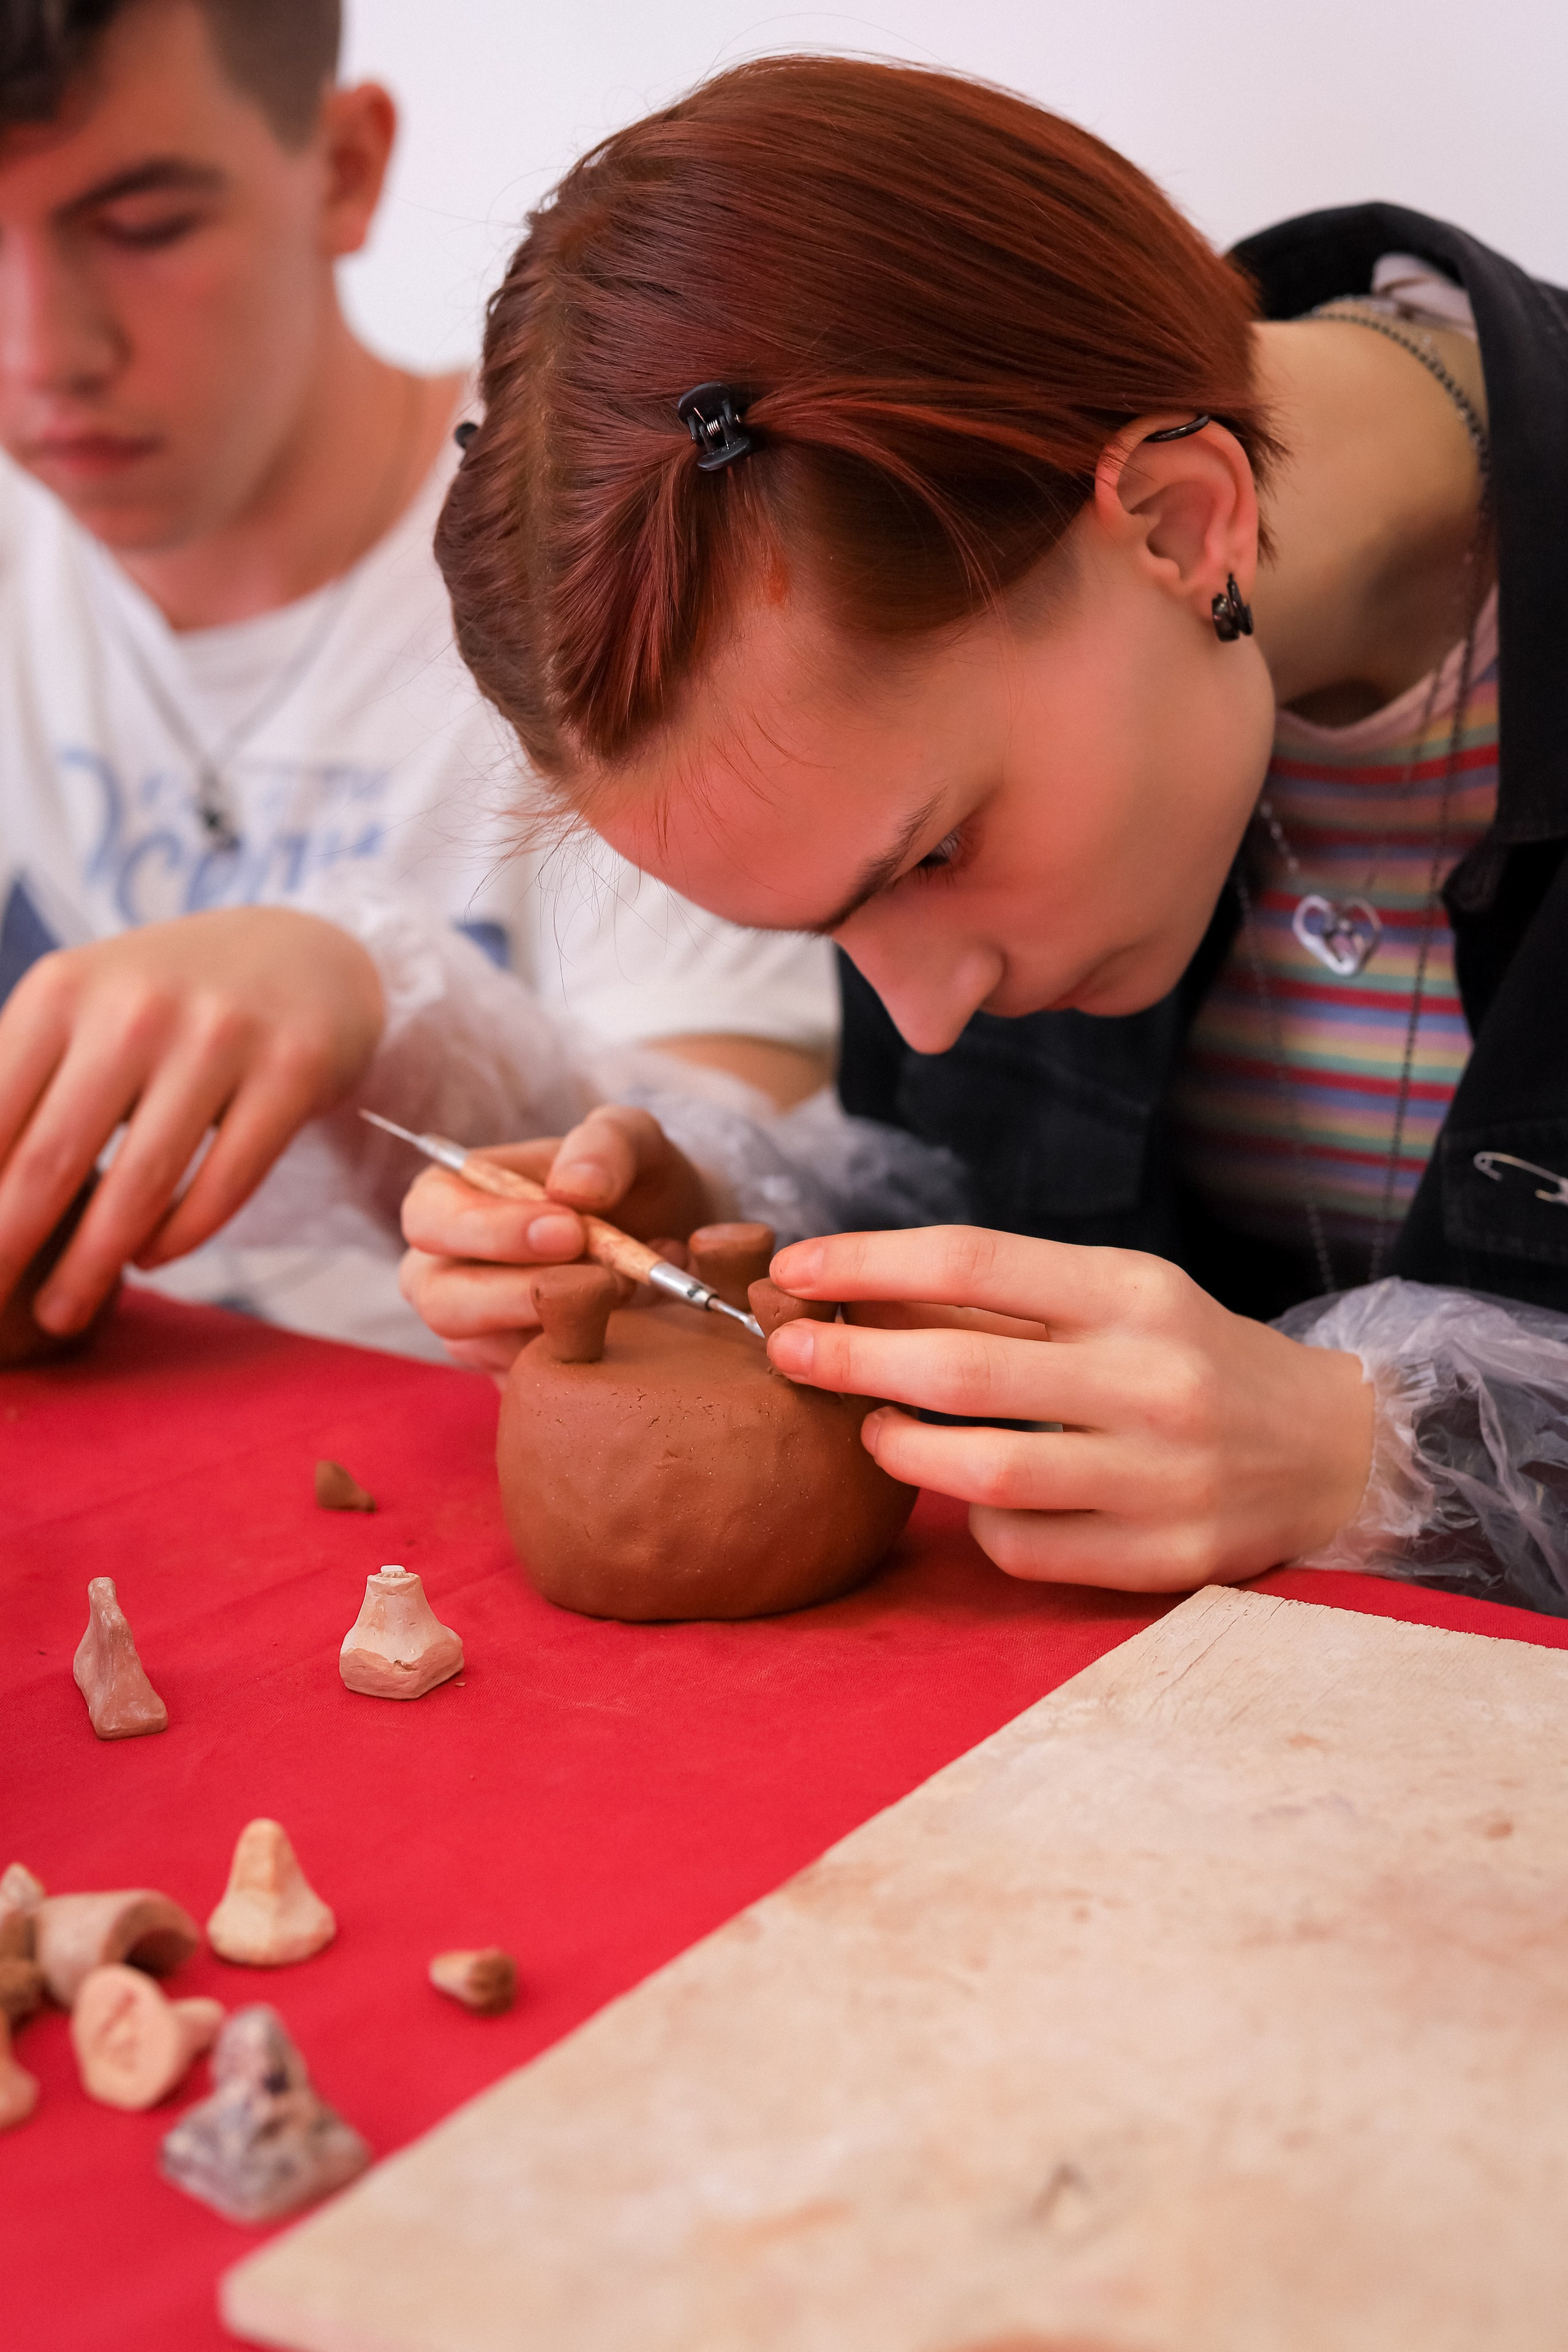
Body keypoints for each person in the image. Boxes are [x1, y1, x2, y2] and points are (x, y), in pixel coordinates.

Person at [399, 55, 1568, 1613]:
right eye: (831, 929)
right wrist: (749, 1253)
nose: (924, 1011)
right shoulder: (954, 696)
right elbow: (1003, 1200)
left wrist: (1379, 1457)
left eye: (930, 860)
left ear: (1176, 521)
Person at [0, 2, 834, 1357]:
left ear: (343, 169)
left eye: (143, 228)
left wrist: (380, 1003)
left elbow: (755, 1205)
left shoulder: (616, 558)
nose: (44, 356)